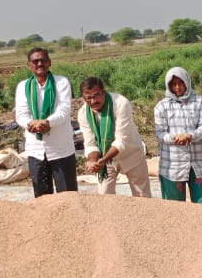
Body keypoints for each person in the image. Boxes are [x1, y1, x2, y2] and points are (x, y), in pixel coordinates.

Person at [14, 47, 78, 197]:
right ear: (29, 65)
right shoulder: (23, 86)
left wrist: (46, 123)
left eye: (43, 60)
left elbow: (64, 111)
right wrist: (30, 124)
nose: (39, 64)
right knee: (42, 199)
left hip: (61, 149)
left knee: (68, 196)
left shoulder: (61, 82)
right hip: (36, 150)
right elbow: (21, 114)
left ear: (49, 62)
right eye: (35, 61)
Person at [77, 77, 151, 197]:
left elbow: (121, 140)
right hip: (106, 159)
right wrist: (92, 161)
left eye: (96, 95)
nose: (93, 101)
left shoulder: (121, 104)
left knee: (142, 195)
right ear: (83, 98)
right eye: (88, 98)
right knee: (104, 196)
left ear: (103, 91)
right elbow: (90, 143)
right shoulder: (83, 113)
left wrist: (103, 160)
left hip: (131, 154)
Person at [154, 67, 202, 203]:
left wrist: (190, 136)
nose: (178, 87)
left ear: (187, 82)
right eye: (173, 84)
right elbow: (160, 133)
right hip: (172, 167)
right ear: (168, 85)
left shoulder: (199, 101)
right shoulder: (162, 106)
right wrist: (174, 138)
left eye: (181, 83)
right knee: (175, 210)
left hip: (199, 164)